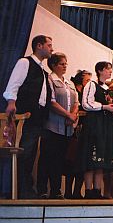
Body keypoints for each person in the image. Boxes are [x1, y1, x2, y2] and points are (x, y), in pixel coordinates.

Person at [3, 35, 53, 199]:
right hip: (26, 115)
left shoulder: (43, 71)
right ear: (39, 46)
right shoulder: (25, 63)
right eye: (49, 45)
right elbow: (14, 84)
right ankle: (20, 190)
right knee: (24, 152)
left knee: (31, 154)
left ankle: (26, 189)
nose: (51, 49)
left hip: (38, 117)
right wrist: (12, 102)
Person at [35, 53, 78, 199]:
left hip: (67, 128)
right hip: (52, 126)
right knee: (47, 158)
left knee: (60, 160)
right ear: (53, 65)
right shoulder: (49, 79)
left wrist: (73, 115)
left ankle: (56, 190)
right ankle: (42, 189)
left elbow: (76, 102)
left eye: (66, 63)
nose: (65, 66)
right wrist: (67, 114)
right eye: (62, 64)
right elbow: (51, 102)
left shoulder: (69, 83)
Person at [78, 61, 113, 199]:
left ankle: (97, 190)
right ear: (100, 70)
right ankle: (89, 191)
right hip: (94, 123)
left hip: (105, 124)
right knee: (91, 157)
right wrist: (104, 107)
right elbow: (86, 103)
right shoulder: (91, 85)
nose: (110, 72)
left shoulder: (106, 88)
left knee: (100, 158)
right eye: (108, 69)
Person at [65, 70, 92, 199]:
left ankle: (77, 191)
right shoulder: (73, 90)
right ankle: (68, 191)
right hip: (74, 130)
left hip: (85, 130)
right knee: (71, 161)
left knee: (82, 162)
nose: (89, 83)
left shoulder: (89, 93)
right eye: (87, 80)